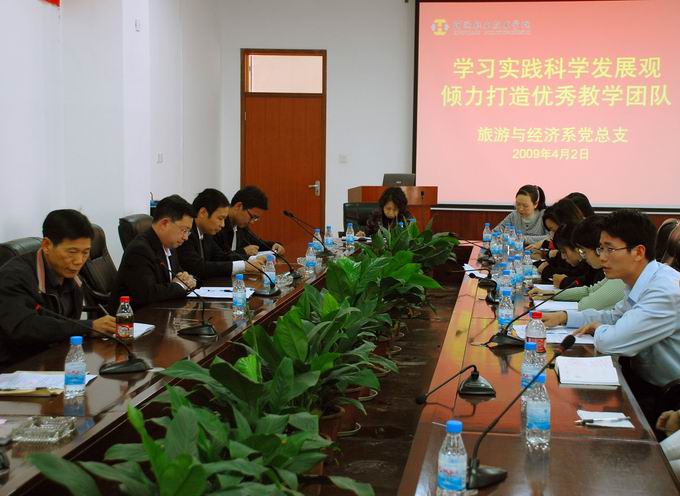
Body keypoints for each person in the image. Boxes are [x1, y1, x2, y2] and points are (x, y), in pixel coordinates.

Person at [542, 210, 680, 425]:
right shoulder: (642, 279)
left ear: (638, 252)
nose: (602, 257)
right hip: (642, 382)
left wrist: (598, 328)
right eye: (600, 249)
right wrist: (565, 316)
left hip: (668, 399)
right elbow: (614, 317)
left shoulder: (663, 291)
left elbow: (611, 341)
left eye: (610, 249)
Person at [0, 210, 117, 365]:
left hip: (54, 359)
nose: (79, 260)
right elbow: (24, 327)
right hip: (16, 366)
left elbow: (65, 328)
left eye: (85, 252)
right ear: (47, 245)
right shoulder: (13, 276)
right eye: (72, 252)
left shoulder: (72, 277)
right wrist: (89, 327)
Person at [111, 195, 198, 311]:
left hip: (161, 311)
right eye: (184, 230)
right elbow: (148, 294)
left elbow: (179, 275)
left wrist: (190, 280)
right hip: (133, 317)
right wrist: (181, 285)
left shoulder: (169, 245)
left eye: (188, 232)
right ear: (164, 223)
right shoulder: (139, 250)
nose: (186, 237)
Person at [529, 216, 625, 310]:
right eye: (601, 249)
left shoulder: (620, 276)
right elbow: (589, 290)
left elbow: (586, 305)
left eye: (583, 251)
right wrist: (550, 294)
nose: (603, 257)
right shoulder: (613, 271)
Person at [177, 188, 265, 282]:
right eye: (220, 218)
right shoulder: (186, 233)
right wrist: (243, 266)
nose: (223, 225)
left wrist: (253, 259)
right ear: (203, 212)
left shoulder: (206, 233)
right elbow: (198, 267)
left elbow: (222, 257)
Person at [214, 186, 285, 257]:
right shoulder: (216, 226)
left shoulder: (241, 227)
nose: (252, 222)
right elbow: (217, 257)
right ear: (239, 206)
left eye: (255, 218)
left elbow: (258, 243)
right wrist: (243, 251)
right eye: (252, 217)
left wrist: (274, 245)